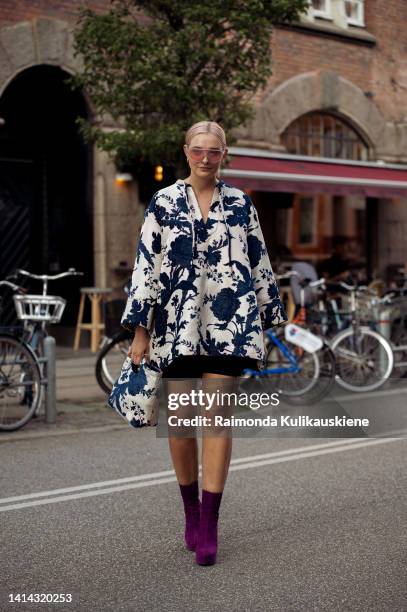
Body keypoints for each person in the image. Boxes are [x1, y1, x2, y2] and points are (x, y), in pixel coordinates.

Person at [122, 120, 287, 566]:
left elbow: (259, 259)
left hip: (228, 324)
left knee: (216, 417)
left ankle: (210, 524)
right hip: (176, 325)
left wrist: (269, 317)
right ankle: (190, 512)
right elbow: (145, 266)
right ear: (186, 152)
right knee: (180, 423)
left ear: (224, 154)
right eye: (198, 150)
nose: (206, 158)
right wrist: (140, 330)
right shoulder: (163, 201)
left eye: (214, 151)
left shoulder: (240, 204)